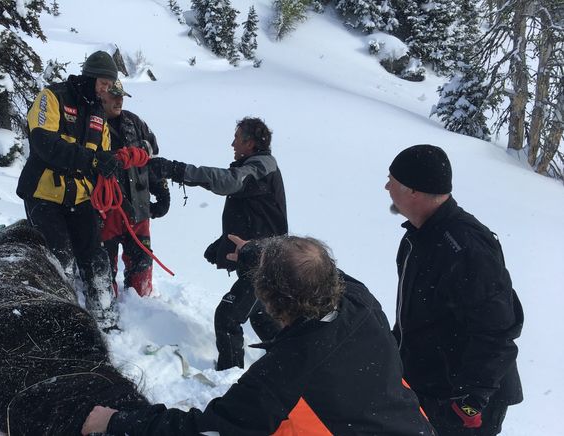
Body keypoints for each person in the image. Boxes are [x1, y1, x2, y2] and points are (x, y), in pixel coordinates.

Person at [81, 235, 435, 436]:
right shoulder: (361, 300)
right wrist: (252, 252)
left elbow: (208, 431)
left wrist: (113, 422)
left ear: (269, 302)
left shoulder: (284, 374)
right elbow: (306, 266)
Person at [385, 144, 524, 435]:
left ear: (415, 191)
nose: (386, 186)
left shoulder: (465, 248)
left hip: (464, 399)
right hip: (429, 383)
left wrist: (470, 400)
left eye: (393, 181)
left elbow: (497, 331)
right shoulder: (419, 236)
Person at [148, 117, 286, 370]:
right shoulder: (259, 166)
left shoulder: (259, 168)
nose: (232, 143)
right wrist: (223, 244)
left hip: (263, 262)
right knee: (261, 317)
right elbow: (256, 216)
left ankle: (229, 375)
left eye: (237, 138)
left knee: (228, 316)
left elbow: (229, 181)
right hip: (260, 258)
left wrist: (177, 170)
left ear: (251, 143)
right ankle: (291, 364)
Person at [16, 50, 121, 330]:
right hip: (43, 193)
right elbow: (43, 142)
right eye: (103, 83)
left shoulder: (100, 114)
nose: (106, 89)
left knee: (96, 256)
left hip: (81, 196)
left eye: (110, 85)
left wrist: (108, 165)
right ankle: (54, 317)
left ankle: (105, 317)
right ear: (90, 77)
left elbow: (104, 153)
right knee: (59, 256)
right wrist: (91, 159)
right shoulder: (52, 97)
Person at [99, 79, 170, 297]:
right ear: (100, 95)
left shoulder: (134, 122)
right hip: (106, 210)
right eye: (114, 96)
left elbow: (152, 157)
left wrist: (162, 190)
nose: (119, 101)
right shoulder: (91, 123)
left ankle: (143, 308)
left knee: (142, 267)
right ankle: (106, 311)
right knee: (102, 270)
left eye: (121, 96)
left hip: (138, 208)